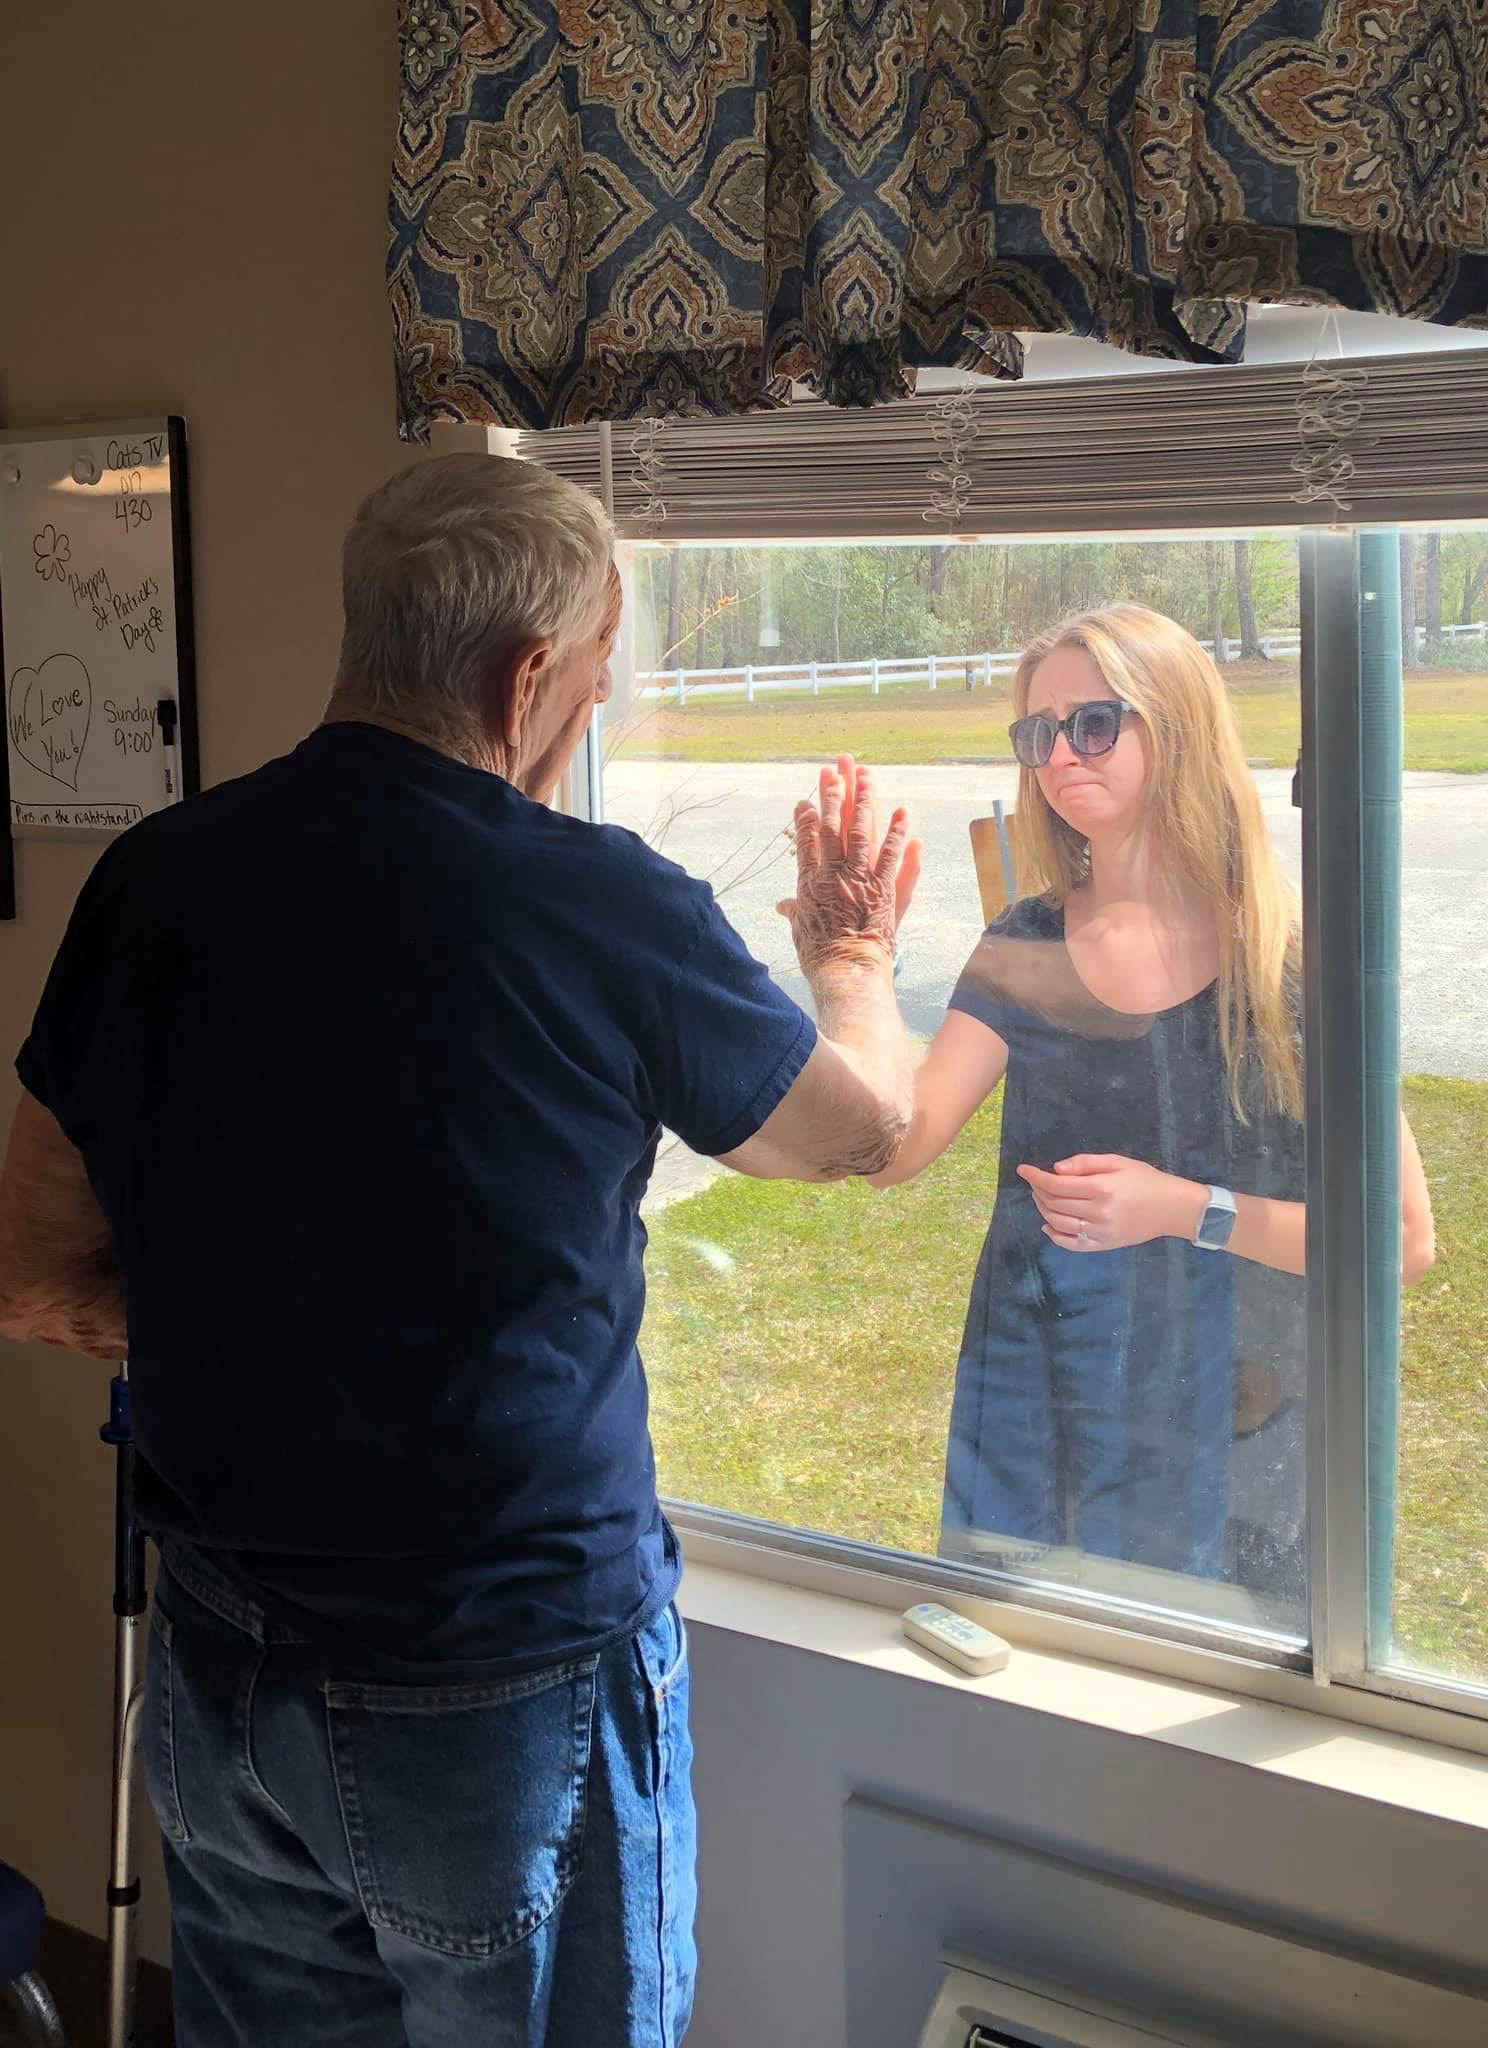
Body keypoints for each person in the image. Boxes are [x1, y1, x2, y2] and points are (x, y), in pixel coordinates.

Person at [0, 454, 919, 2048]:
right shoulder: (601, 907)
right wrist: (849, 960)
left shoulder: (155, 877)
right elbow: (860, 1135)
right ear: (526, 676)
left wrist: (263, 1331)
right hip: (502, 1692)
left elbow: (25, 1266)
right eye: (596, 680)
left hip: (223, 1673)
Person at [871, 604, 1435, 1607]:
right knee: (1025, 1669)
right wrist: (857, 960)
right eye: (1038, 731)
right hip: (1038, 1392)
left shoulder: (1291, 962)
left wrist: (1183, 1207)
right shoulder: (1023, 942)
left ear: (1177, 729)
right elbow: (898, 1141)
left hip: (1229, 1410)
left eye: (1093, 722)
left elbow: (1401, 1243)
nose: (1058, 754)